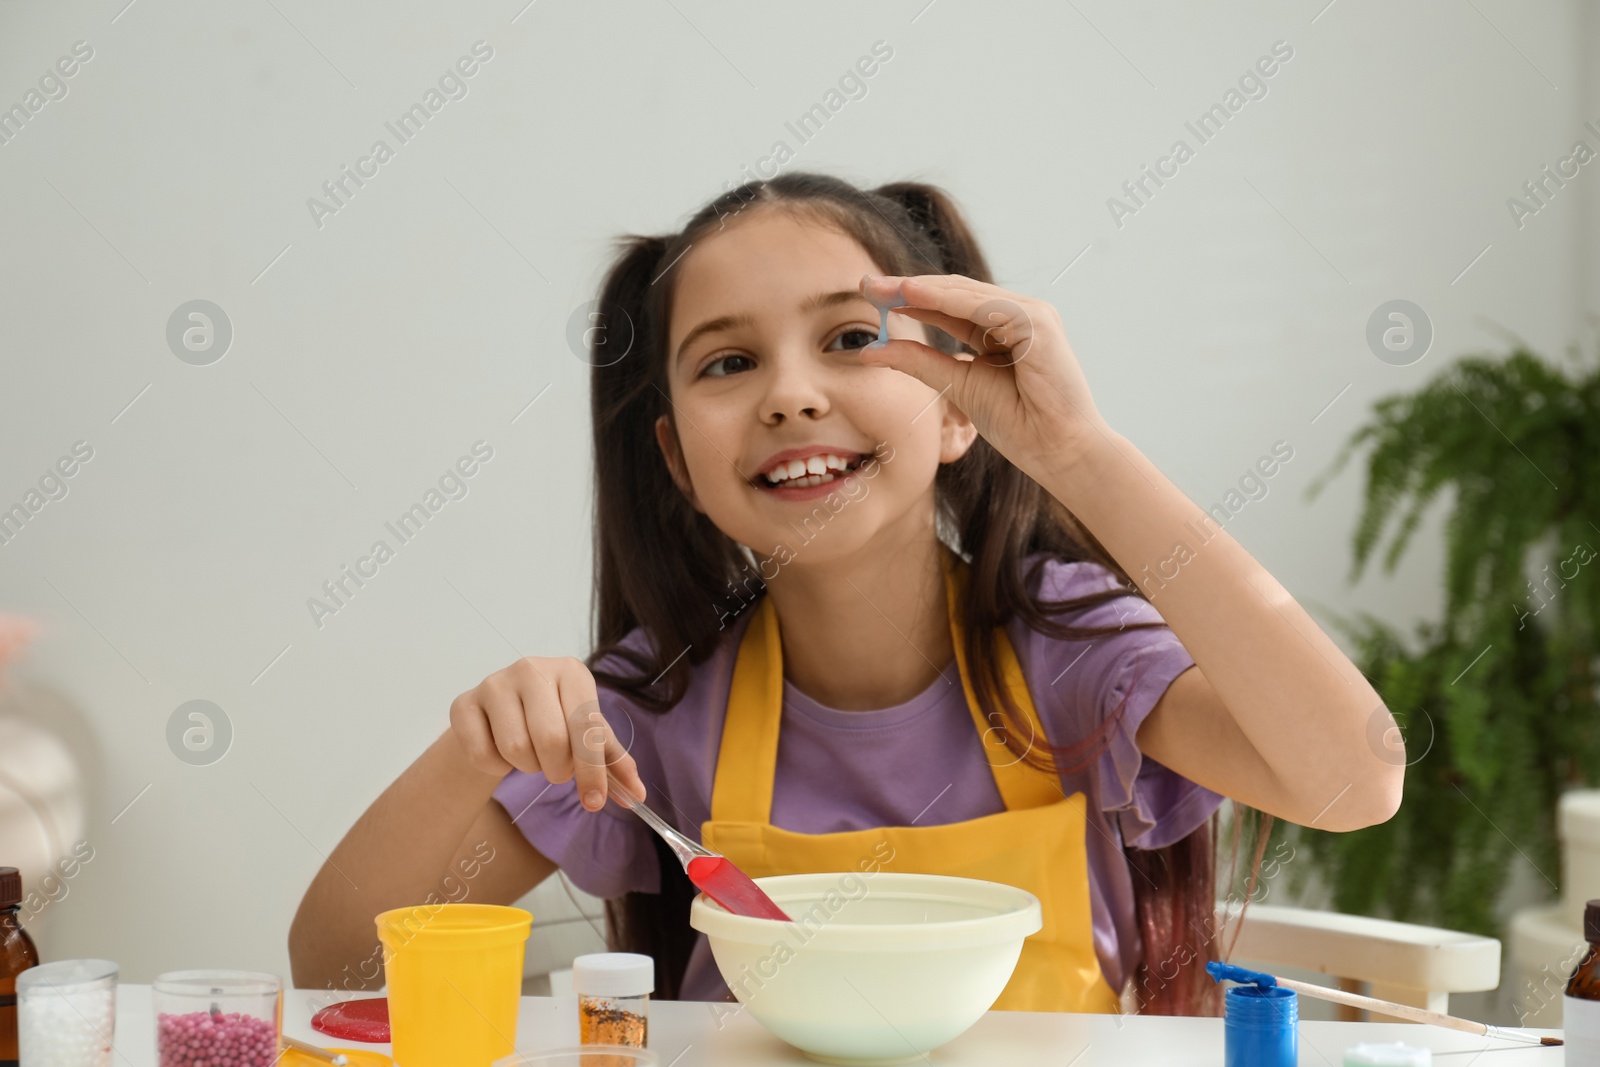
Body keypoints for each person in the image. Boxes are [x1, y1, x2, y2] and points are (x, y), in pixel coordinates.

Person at [288, 172, 1403, 1016]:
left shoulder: (1071, 651)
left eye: (850, 339)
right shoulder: (652, 705)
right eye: (728, 362)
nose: (790, 393)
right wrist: (475, 746)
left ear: (962, 404)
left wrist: (1076, 450)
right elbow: (332, 969)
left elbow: (1352, 777)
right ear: (678, 463)